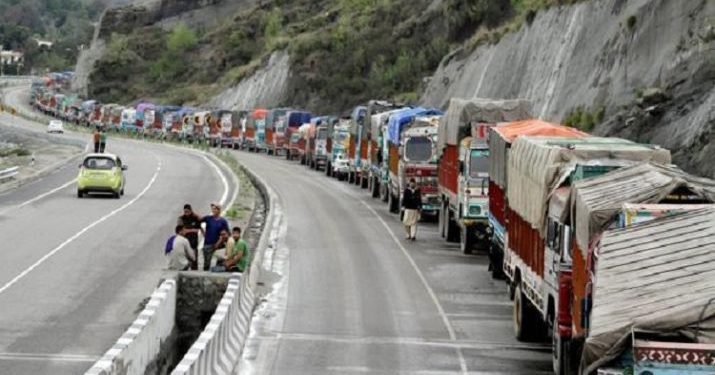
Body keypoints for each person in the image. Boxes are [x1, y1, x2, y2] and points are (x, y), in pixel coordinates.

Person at [200, 203, 230, 270]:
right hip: (207, 243)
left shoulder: (223, 221)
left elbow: (226, 234)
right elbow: (198, 221)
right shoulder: (208, 218)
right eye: (213, 209)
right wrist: (203, 232)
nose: (214, 210)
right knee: (206, 263)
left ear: (219, 210)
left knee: (219, 261)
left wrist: (219, 242)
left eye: (216, 209)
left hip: (218, 245)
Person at [177, 204, 202, 270]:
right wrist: (192, 230)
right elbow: (181, 231)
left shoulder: (195, 218)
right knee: (184, 264)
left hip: (193, 244)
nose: (186, 213)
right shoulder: (181, 219)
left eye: (188, 211)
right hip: (184, 245)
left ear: (191, 211)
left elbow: (198, 229)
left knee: (194, 263)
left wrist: (188, 230)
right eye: (185, 211)